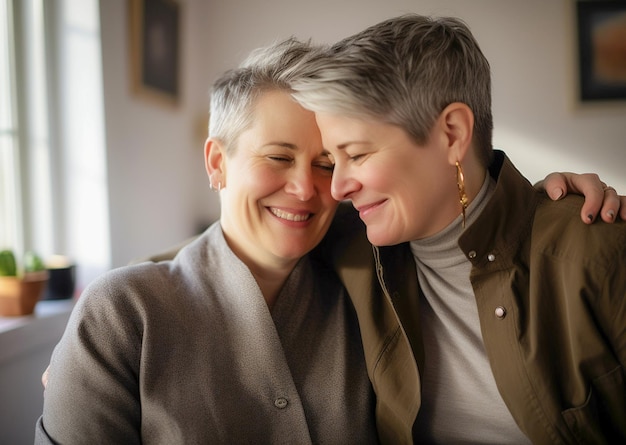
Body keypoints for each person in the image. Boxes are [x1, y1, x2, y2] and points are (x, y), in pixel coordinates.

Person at [291, 15, 626, 444]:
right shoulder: (345, 242)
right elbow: (227, 250)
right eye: (330, 161)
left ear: (452, 134)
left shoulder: (596, 250)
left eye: (356, 154)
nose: (338, 187)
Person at [34, 38, 378, 444]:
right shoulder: (122, 316)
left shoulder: (366, 301)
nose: (305, 188)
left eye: (325, 164)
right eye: (279, 157)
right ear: (217, 163)